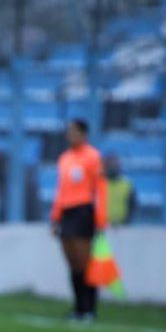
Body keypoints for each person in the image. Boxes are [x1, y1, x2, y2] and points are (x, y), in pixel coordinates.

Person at [50, 119, 107, 321]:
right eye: (69, 131)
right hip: (66, 212)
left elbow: (100, 189)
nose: (70, 135)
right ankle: (78, 307)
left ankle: (90, 308)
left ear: (83, 134)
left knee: (85, 262)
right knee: (72, 262)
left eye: (74, 131)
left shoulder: (93, 157)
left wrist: (100, 218)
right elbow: (60, 189)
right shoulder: (64, 158)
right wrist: (55, 218)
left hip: (83, 211)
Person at [103, 153, 137, 225]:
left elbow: (133, 205)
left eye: (115, 165)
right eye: (110, 165)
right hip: (103, 226)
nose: (113, 168)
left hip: (122, 226)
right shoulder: (100, 184)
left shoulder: (126, 184)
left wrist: (127, 221)